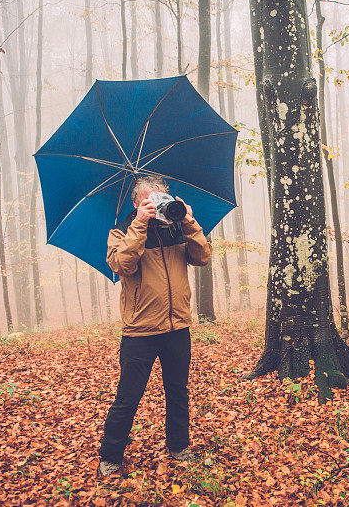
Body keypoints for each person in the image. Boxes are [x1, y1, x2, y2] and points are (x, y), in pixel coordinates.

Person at [97, 175, 212, 477]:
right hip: (140, 331)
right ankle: (110, 455)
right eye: (148, 201)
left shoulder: (177, 227)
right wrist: (139, 224)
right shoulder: (121, 232)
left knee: (178, 391)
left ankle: (179, 445)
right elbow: (122, 265)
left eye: (160, 199)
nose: (156, 205)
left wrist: (189, 221)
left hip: (178, 328)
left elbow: (203, 257)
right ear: (136, 204)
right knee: (128, 396)